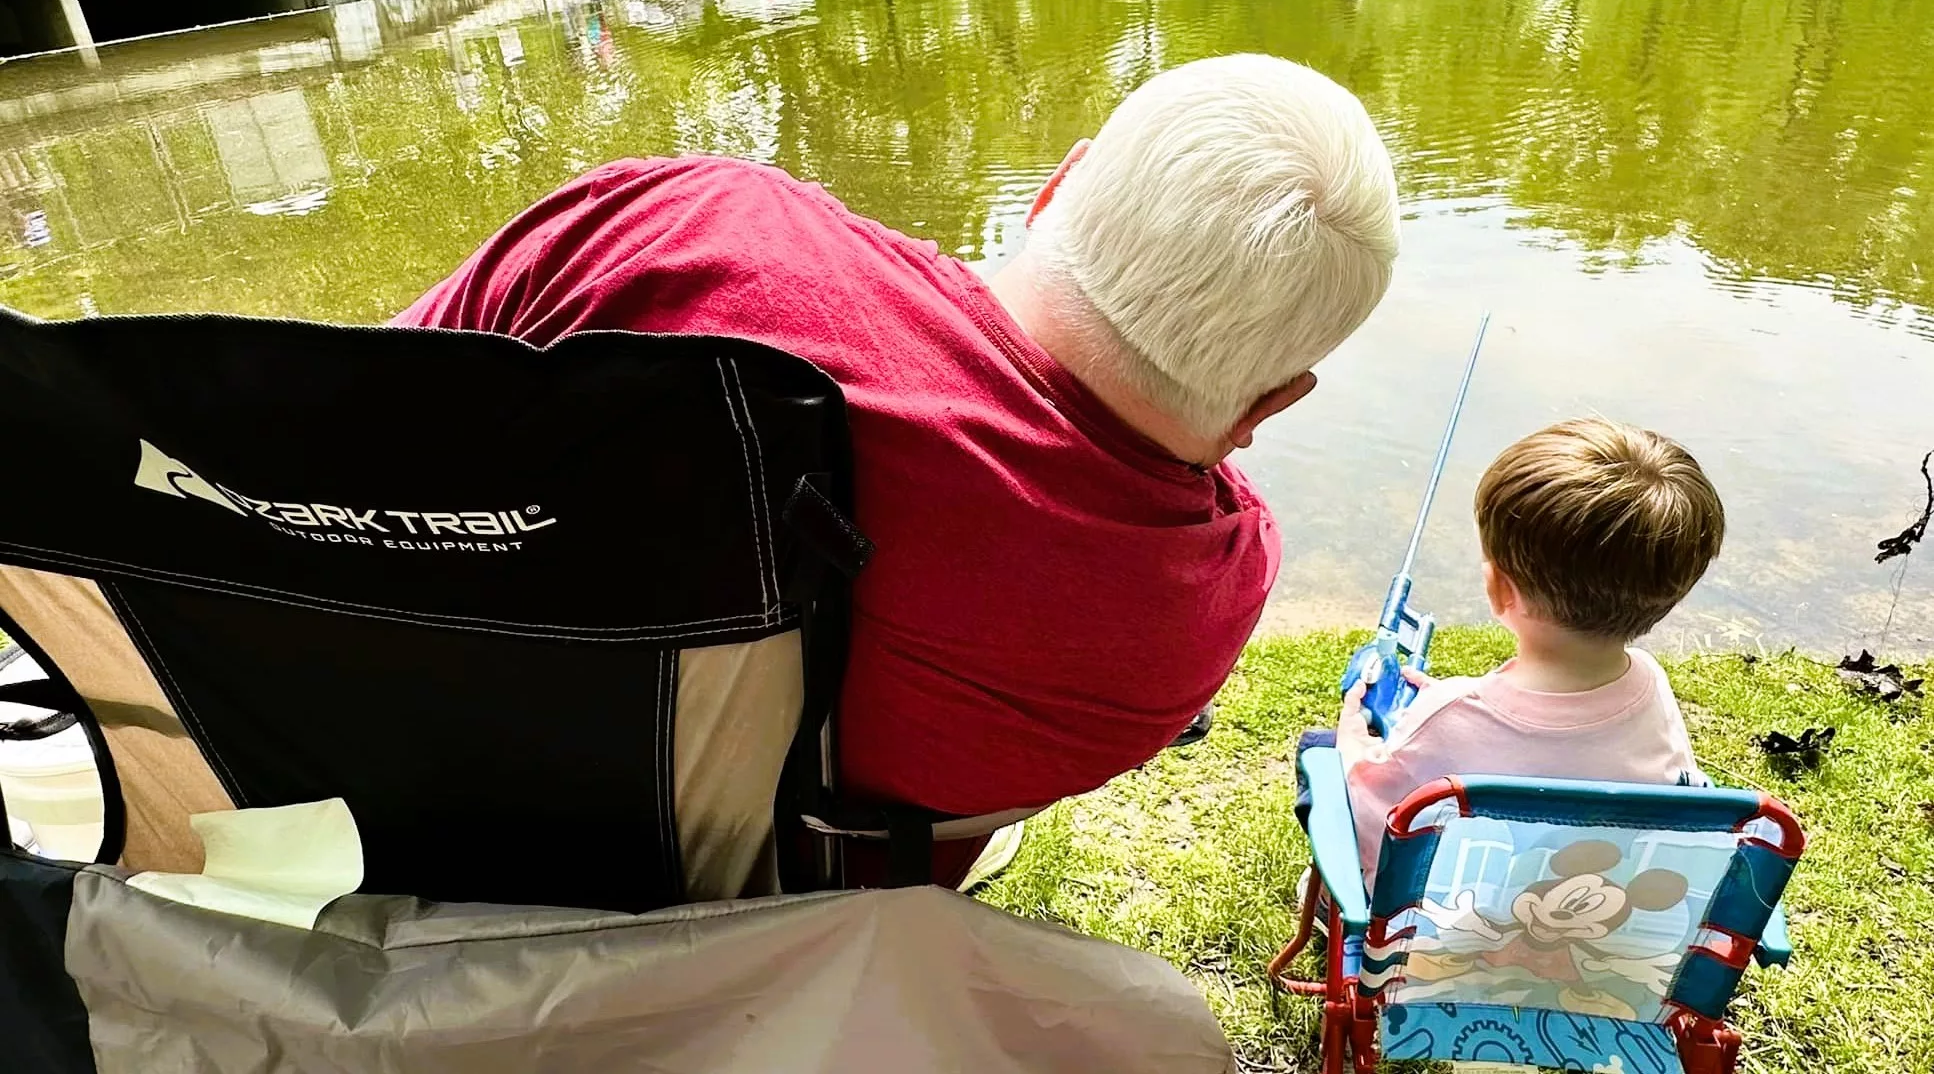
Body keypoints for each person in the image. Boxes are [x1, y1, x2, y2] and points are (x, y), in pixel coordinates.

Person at [396, 54, 1400, 895]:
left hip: (460, 831)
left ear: (1056, 184)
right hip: (806, 906)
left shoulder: (684, 229)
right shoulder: (1206, 597)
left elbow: (328, 429)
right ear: (1275, 400)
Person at [1333, 419, 1723, 883]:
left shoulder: (1447, 715)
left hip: (1446, 943)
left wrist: (1352, 741)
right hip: (1603, 933)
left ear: (1499, 589)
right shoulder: (1651, 684)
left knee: (1320, 757)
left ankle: (1322, 906)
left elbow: (1369, 819)